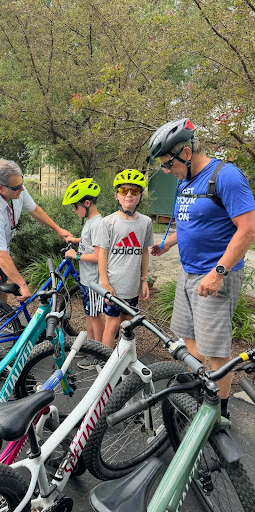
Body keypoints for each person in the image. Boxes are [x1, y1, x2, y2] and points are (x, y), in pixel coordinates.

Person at [149, 118, 255, 418]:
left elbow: (247, 230)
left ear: (185, 152)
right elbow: (194, 223)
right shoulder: (186, 180)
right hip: (188, 272)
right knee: (189, 339)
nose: (167, 172)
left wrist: (217, 272)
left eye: (168, 164)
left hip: (214, 277)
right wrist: (169, 242)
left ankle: (219, 413)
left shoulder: (226, 177)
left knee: (216, 348)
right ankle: (201, 388)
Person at [0, 159, 73, 304]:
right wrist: (22, 284)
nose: (22, 189)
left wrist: (58, 229)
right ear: (0, 188)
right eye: (16, 187)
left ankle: (1, 318)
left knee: (2, 286)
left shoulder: (14, 187)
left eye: (21, 183)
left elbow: (34, 209)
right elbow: (0, 255)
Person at [95, 169, 153, 348]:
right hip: (113, 285)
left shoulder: (146, 222)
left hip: (132, 286)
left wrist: (144, 281)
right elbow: (102, 253)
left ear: (140, 196)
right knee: (112, 324)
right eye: (124, 191)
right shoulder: (108, 222)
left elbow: (144, 252)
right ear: (116, 196)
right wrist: (104, 282)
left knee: (128, 326)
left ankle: (123, 363)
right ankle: (105, 363)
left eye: (134, 191)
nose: (129, 195)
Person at [62, 178, 105, 354]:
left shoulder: (97, 224)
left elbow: (98, 255)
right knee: (89, 315)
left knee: (95, 317)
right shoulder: (91, 222)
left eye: (75, 206)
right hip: (87, 279)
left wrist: (76, 254)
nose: (74, 210)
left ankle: (99, 353)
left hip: (94, 280)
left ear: (87, 203)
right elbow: (91, 243)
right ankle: (91, 348)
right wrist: (77, 240)